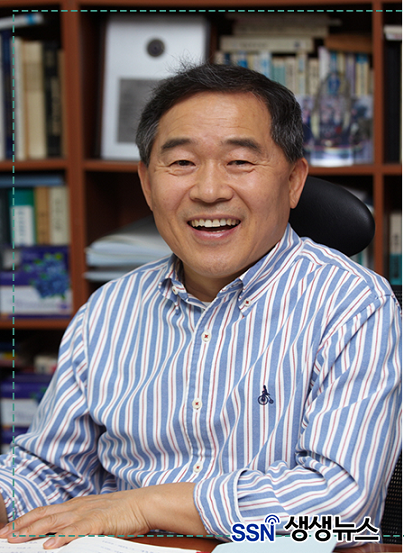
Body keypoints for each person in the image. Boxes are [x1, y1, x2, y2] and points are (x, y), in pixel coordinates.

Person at [0, 63, 400, 549]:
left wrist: (143, 506)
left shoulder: (354, 305)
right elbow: (50, 470)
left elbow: (344, 503)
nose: (209, 191)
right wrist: (7, 497)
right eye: (182, 163)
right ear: (147, 183)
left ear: (294, 181)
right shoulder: (107, 311)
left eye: (240, 162)